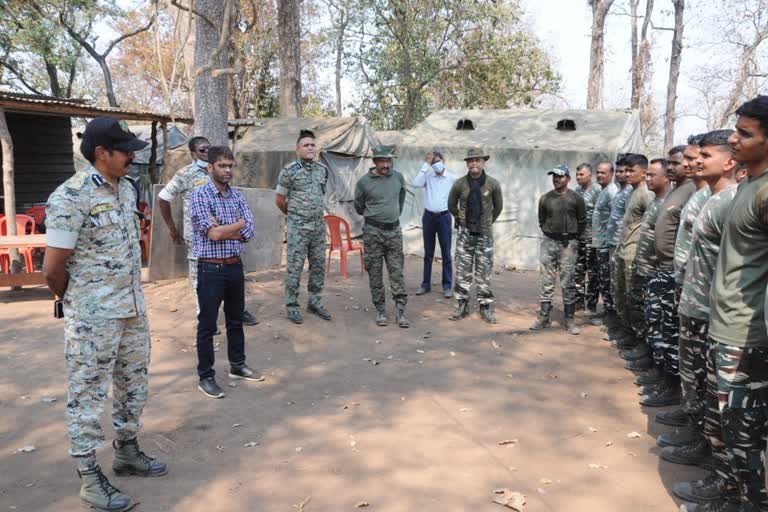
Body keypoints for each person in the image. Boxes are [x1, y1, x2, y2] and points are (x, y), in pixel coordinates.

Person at [43, 117, 167, 511]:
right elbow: (52, 269)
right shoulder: (70, 196)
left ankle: (127, 451)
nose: (132, 156)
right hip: (93, 319)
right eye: (125, 150)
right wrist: (81, 301)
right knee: (87, 395)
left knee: (134, 385)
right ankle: (89, 476)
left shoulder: (127, 189)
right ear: (102, 153)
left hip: (132, 310)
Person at [665, 130, 739, 505]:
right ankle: (702, 446)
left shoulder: (732, 202)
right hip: (694, 306)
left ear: (728, 161)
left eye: (703, 156)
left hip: (717, 316)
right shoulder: (710, 199)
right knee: (696, 385)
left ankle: (725, 484)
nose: (694, 161)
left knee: (720, 406)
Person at [704, 96, 768, 512]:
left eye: (745, 134)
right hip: (725, 327)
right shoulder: (748, 184)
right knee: (732, 432)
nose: (734, 139)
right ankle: (735, 497)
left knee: (747, 442)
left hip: (748, 336)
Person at [158, 137, 258, 326]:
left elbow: (243, 217)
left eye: (208, 149)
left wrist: (230, 228)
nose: (206, 152)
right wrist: (172, 228)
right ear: (192, 153)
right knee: (201, 281)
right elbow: (163, 198)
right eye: (202, 150)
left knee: (233, 276)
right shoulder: (185, 174)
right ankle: (204, 317)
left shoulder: (225, 171)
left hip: (229, 239)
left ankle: (238, 311)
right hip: (200, 238)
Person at [189, 146, 262, 399]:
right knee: (207, 325)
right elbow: (213, 233)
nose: (228, 170)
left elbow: (250, 230)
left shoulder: (237, 196)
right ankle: (206, 376)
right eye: (222, 165)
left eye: (230, 166)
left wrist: (230, 227)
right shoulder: (199, 195)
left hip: (234, 265)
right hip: (210, 267)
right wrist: (236, 226)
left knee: (235, 320)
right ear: (210, 167)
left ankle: (237, 366)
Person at [275, 130, 332, 324]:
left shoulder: (322, 170)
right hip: (297, 229)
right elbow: (280, 200)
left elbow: (320, 195)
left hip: (317, 228)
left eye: (312, 145)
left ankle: (314, 302)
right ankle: (292, 305)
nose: (310, 148)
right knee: (295, 267)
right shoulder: (288, 171)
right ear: (297, 149)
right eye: (306, 145)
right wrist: (295, 217)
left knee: (318, 267)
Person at [621, 159, 669, 381]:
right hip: (638, 258)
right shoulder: (644, 196)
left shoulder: (650, 197)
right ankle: (641, 345)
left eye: (651, 174)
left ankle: (648, 353)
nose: (647, 178)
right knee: (636, 303)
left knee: (647, 310)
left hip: (654, 266)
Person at [354, 145, 410, 328]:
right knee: (375, 273)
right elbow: (359, 207)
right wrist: (377, 217)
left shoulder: (398, 178)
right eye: (382, 161)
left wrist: (391, 216)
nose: (386, 164)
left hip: (394, 232)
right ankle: (380, 310)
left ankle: (401, 311)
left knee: (397, 272)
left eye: (388, 161)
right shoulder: (364, 183)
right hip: (373, 233)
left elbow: (401, 200)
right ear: (375, 161)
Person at [447, 148, 504, 324]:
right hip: (465, 235)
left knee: (484, 273)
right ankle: (462, 305)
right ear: (467, 163)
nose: (474, 163)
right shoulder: (459, 184)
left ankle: (485, 307)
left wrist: (486, 222)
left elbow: (498, 207)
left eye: (477, 160)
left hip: (484, 235)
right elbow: (451, 204)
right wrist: (460, 219)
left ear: (483, 162)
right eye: (470, 160)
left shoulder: (492, 184)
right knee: (463, 272)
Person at [529, 164, 586, 334]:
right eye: (554, 176)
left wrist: (571, 237)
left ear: (568, 179)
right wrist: (550, 234)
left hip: (568, 244)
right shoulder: (545, 199)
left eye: (560, 176)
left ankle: (569, 319)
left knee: (568, 282)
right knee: (547, 281)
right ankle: (543, 316)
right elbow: (541, 219)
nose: (556, 179)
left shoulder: (576, 199)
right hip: (549, 242)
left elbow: (582, 220)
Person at [616, 154, 654, 374]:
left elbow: (650, 226)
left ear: (643, 172)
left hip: (634, 254)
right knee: (625, 296)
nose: (628, 174)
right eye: (626, 170)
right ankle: (630, 335)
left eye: (632, 171)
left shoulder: (646, 194)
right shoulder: (632, 192)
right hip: (625, 251)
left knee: (636, 299)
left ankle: (640, 343)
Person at [413, 150, 457, 297]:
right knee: (428, 253)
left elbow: (460, 195)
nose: (435, 164)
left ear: (443, 161)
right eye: (433, 162)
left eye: (437, 161)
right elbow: (416, 183)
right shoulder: (428, 176)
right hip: (429, 217)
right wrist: (426, 164)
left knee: (446, 253)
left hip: (444, 217)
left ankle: (447, 285)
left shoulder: (451, 178)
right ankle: (425, 284)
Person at [604, 156, 634, 349]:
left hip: (624, 246)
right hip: (614, 244)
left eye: (626, 171)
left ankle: (629, 331)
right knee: (616, 287)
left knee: (627, 291)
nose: (623, 174)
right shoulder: (620, 192)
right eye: (621, 171)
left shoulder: (632, 192)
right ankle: (619, 324)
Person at [590, 161, 619, 325]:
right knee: (602, 279)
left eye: (603, 172)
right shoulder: (602, 191)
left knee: (607, 280)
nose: (600, 175)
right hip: (599, 243)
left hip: (606, 244)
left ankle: (611, 316)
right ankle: (607, 311)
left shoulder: (612, 192)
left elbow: (616, 221)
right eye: (598, 172)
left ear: (611, 173)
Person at [573, 163, 601, 313]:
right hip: (579, 238)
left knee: (592, 273)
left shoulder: (598, 190)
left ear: (590, 175)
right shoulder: (577, 191)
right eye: (577, 174)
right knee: (578, 271)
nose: (578, 177)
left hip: (593, 238)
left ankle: (591, 304)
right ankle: (578, 302)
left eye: (581, 174)